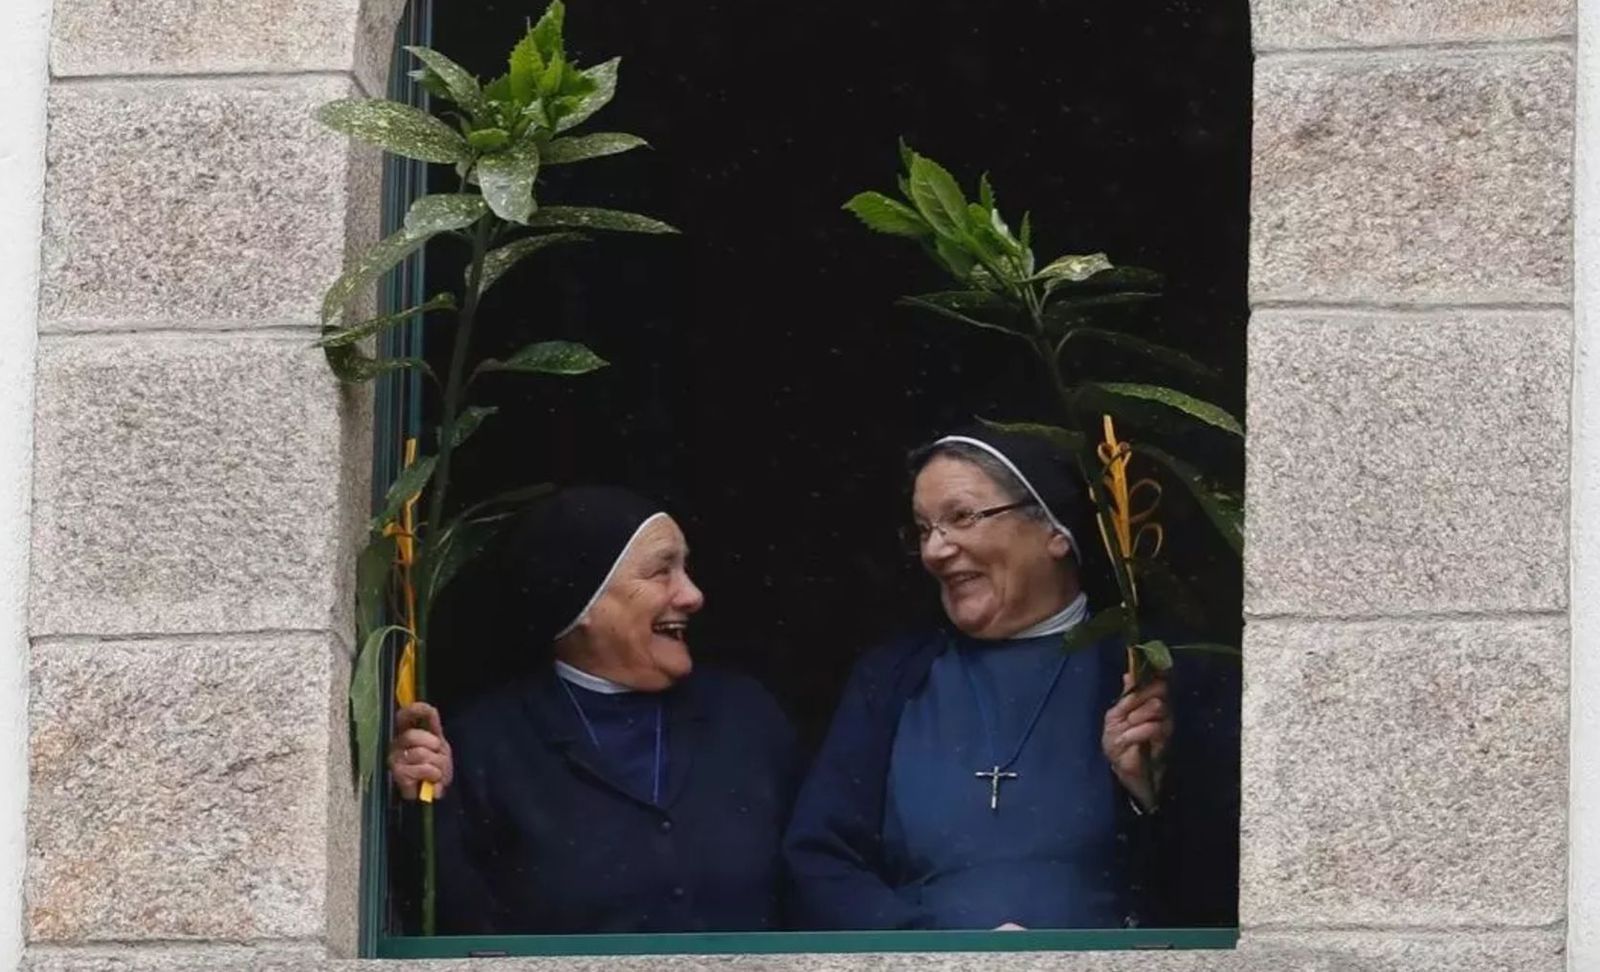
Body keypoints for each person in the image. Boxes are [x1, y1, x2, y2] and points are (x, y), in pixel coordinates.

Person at [783, 426, 1189, 930]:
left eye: (961, 517)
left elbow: (1226, 871)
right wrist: (940, 953)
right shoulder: (889, 680)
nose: (934, 551)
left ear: (1054, 530)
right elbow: (820, 860)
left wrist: (1148, 795)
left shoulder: (1146, 668)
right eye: (924, 529)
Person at [388, 486, 799, 933]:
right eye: (662, 571)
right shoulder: (486, 744)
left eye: (685, 568)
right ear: (584, 600)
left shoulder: (747, 719)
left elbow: (815, 876)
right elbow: (456, 927)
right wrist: (427, 807)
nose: (692, 595)